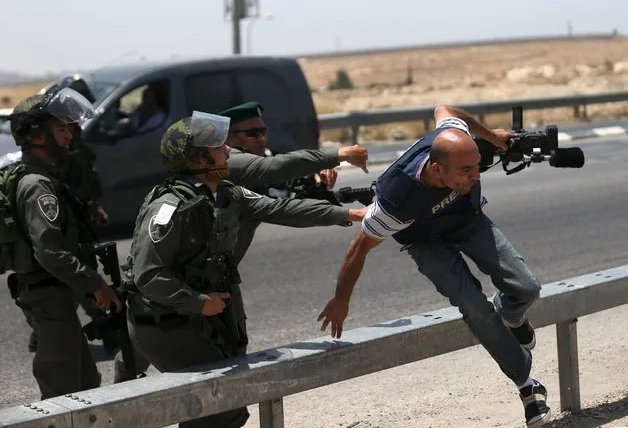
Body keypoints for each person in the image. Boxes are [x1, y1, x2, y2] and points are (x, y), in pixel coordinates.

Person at [123, 112, 367, 427]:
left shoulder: (226, 194)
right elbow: (148, 275)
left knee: (224, 406)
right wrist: (200, 302)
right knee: (218, 408)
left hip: (198, 317)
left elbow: (282, 208)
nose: (227, 151)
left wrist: (349, 214)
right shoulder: (169, 207)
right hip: (166, 323)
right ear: (198, 160)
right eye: (218, 147)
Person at [317, 105, 551, 428]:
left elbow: (444, 108)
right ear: (438, 171)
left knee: (527, 288)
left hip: (466, 221)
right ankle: (527, 384)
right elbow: (358, 248)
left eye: (476, 167)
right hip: (425, 241)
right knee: (473, 305)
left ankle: (510, 315)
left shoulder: (455, 136)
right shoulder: (393, 203)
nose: (476, 176)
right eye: (466, 171)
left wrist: (491, 137)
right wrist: (341, 299)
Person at [7, 88, 121, 399]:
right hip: (49, 299)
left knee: (85, 384)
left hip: (56, 297)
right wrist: (95, 283)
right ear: (38, 137)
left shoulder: (43, 177)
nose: (69, 133)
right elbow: (50, 251)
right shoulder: (36, 185)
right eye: (60, 127)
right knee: (62, 395)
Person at [221, 101, 370, 263]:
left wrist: (313, 175)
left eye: (263, 131)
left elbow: (285, 187)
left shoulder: (256, 161)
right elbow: (274, 169)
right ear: (231, 139)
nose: (261, 138)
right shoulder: (229, 161)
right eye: (253, 133)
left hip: (222, 272)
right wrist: (338, 155)